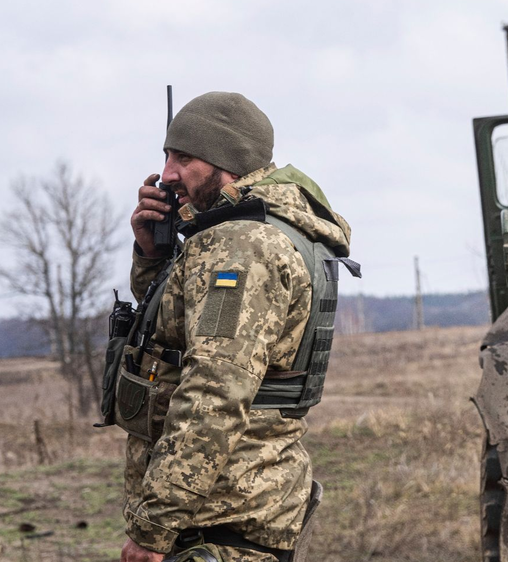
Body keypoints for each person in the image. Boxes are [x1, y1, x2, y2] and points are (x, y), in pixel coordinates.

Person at [117, 91, 354, 562]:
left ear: (228, 162)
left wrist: (155, 526)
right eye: (166, 156)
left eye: (184, 158)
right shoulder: (252, 231)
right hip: (232, 508)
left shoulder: (240, 246)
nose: (166, 175)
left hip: (219, 516)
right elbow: (171, 334)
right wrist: (153, 254)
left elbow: (214, 388)